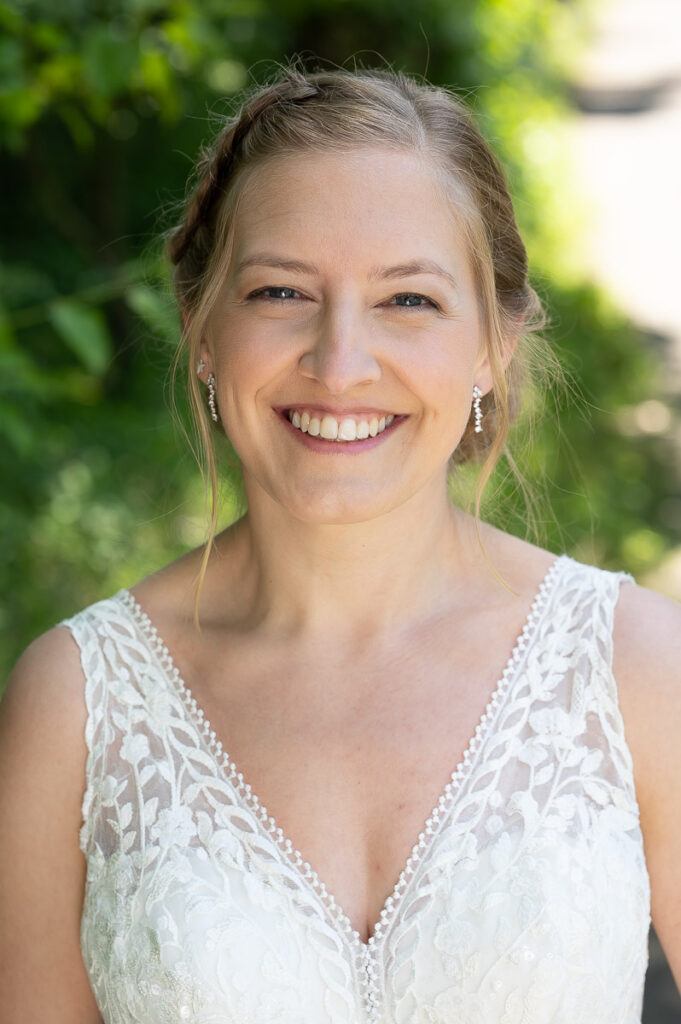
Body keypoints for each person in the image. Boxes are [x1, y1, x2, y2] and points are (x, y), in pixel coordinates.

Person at [0, 66, 679, 1024]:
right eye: (280, 291)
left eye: (408, 301)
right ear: (200, 327)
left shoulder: (638, 668)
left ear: (491, 344)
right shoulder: (74, 704)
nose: (339, 364)